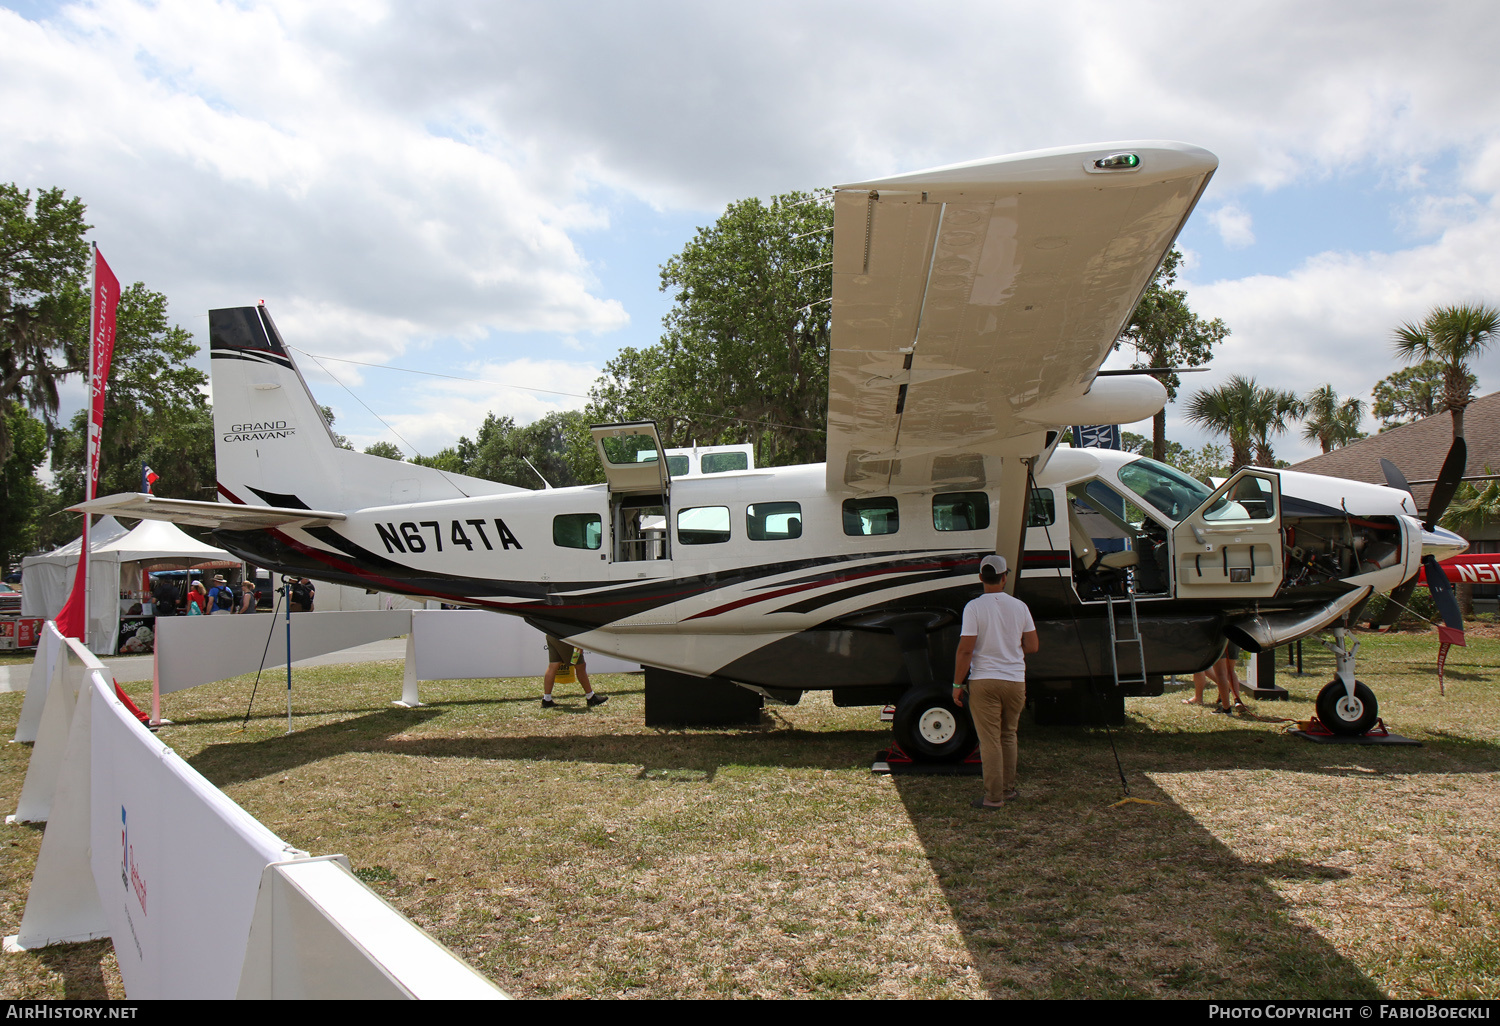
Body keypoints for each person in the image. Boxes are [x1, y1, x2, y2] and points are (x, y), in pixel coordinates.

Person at [952, 555, 1039, 809]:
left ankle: (993, 797)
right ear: (1004, 577)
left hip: (984, 680)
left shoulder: (974, 607)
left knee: (989, 739)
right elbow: (1032, 646)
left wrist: (957, 685)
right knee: (1008, 735)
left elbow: (965, 650)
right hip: (1014, 680)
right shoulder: (1020, 607)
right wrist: (1011, 651)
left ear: (981, 578)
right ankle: (1008, 789)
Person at [541, 634, 608, 709]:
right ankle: (591, 697)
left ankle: (546, 699)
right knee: (580, 666)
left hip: (551, 634)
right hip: (567, 637)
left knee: (553, 665)